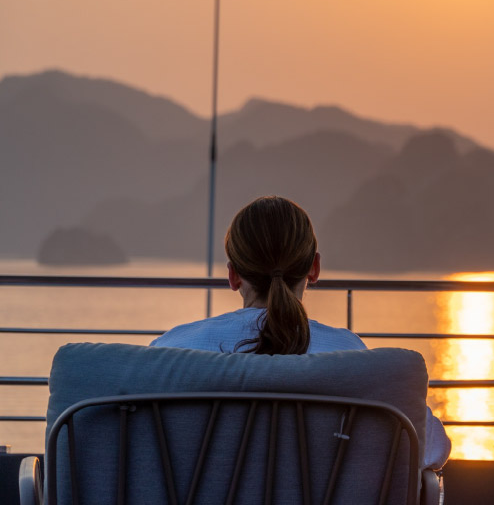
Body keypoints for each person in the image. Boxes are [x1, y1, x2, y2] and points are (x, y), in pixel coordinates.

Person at [151, 195, 451, 469]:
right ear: (314, 268)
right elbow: (430, 448)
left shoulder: (172, 349)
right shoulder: (351, 357)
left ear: (232, 275)